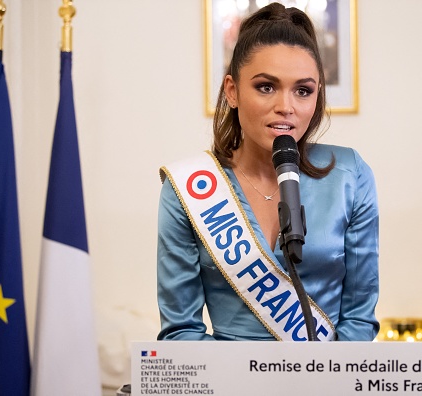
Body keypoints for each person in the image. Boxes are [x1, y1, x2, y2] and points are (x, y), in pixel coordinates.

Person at [157, 2, 379, 341]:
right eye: (266, 87)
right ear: (232, 91)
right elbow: (182, 332)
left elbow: (359, 320)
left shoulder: (351, 177)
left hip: (328, 382)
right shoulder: (189, 187)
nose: (286, 107)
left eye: (303, 90)